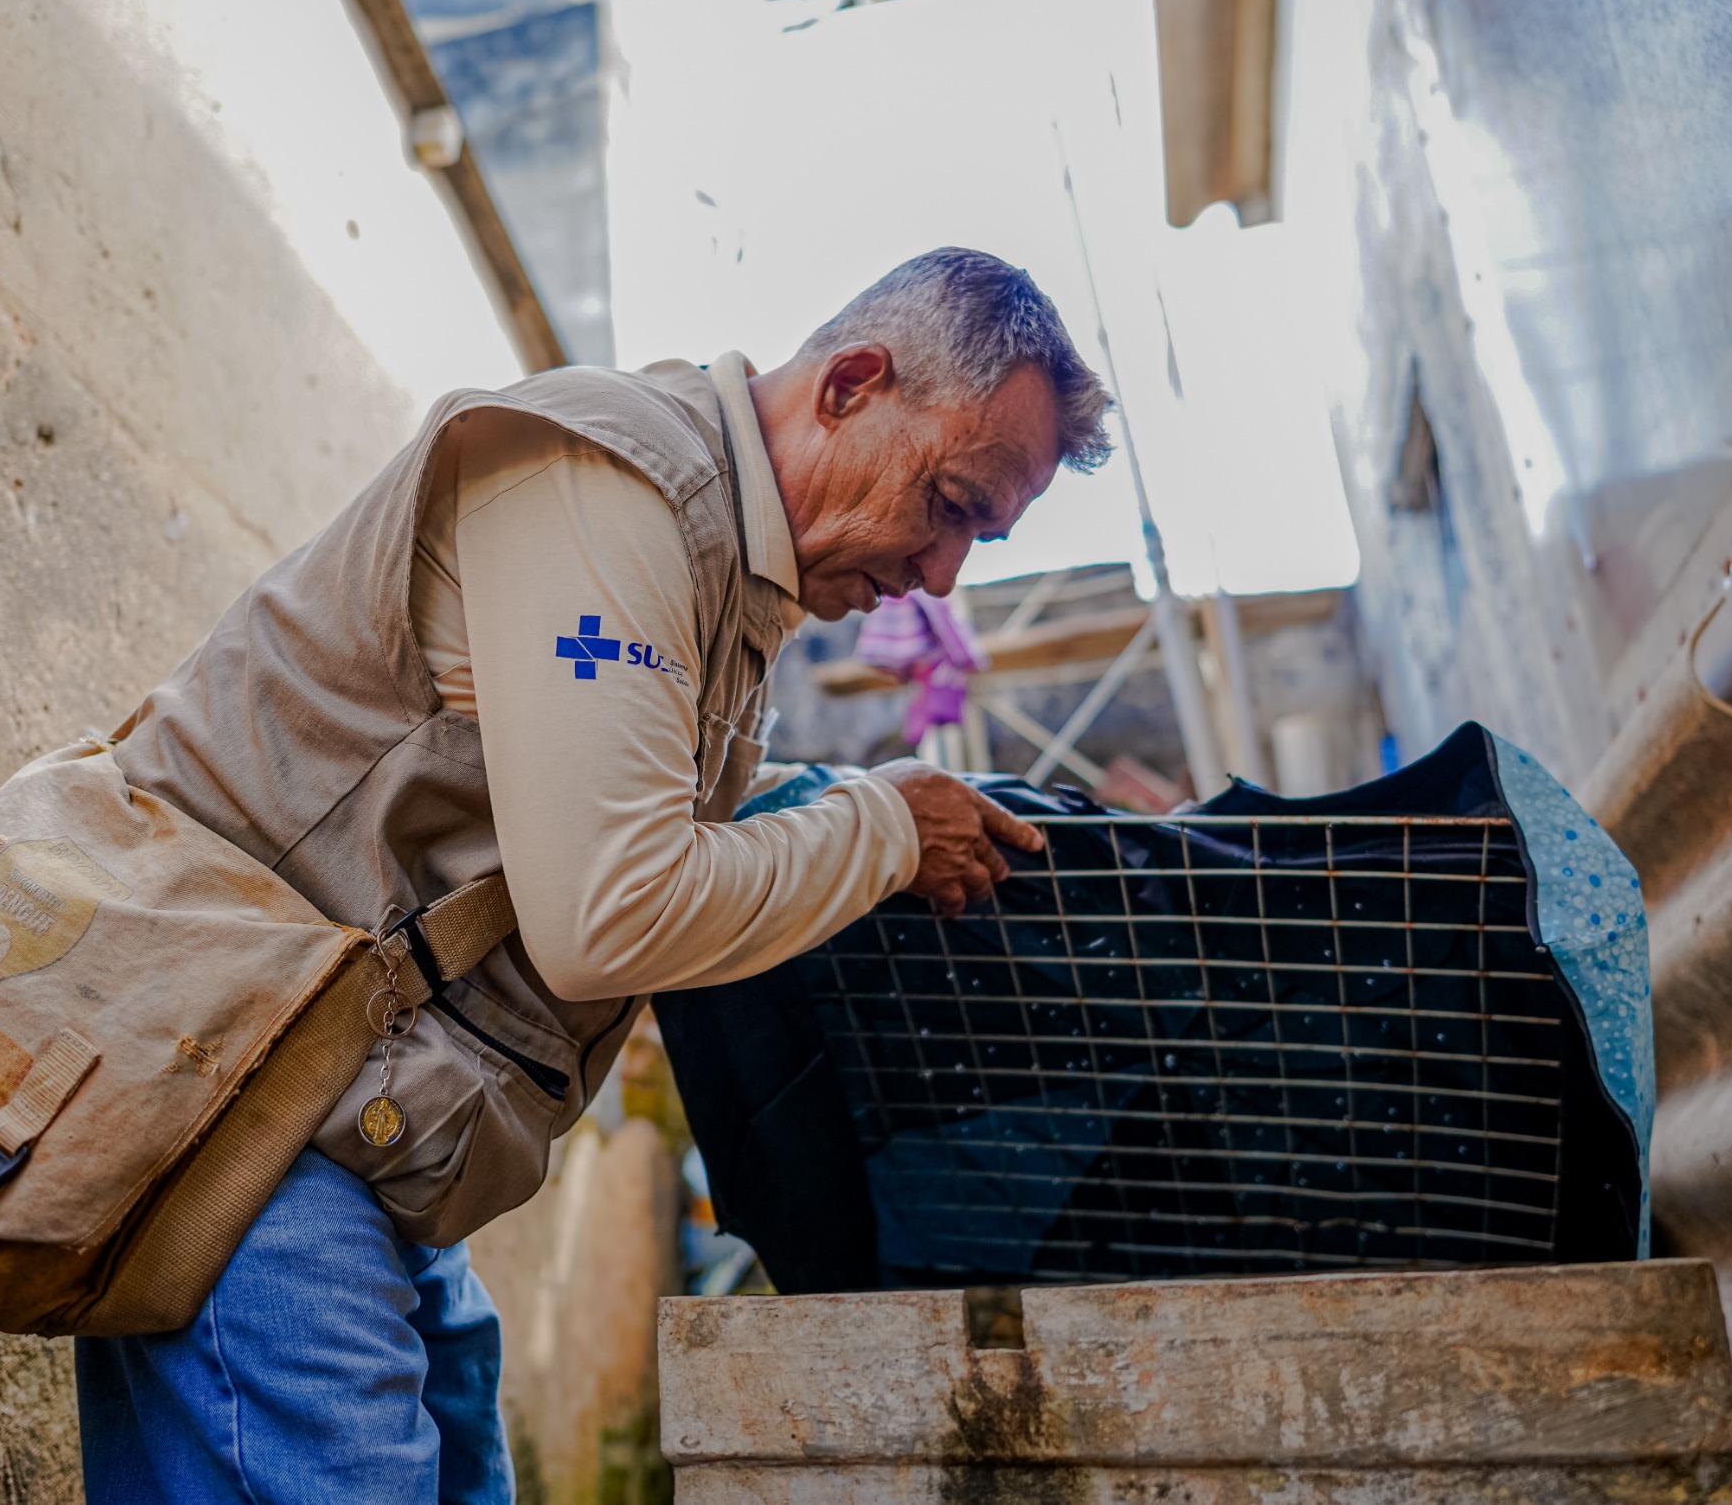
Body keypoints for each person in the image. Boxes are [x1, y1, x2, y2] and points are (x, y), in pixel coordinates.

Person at [75, 247, 1114, 1503]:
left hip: (363, 1124)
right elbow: (609, 911)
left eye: (978, 535)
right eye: (948, 503)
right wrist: (885, 830)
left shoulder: (729, 579)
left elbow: (597, 825)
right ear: (850, 383)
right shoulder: (618, 484)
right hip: (247, 1098)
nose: (943, 574)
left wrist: (831, 818)